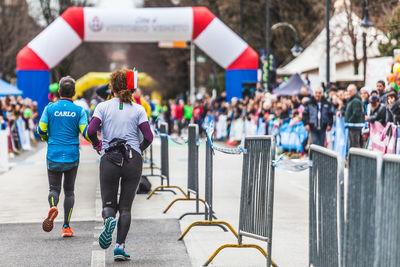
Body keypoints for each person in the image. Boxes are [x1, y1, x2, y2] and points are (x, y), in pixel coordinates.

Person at [87, 69, 153, 261]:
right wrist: (139, 149)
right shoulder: (138, 109)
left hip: (109, 158)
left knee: (109, 202)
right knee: (125, 208)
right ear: (132, 88)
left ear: (112, 87)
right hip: (132, 158)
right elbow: (148, 136)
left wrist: (98, 144)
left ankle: (108, 220)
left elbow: (91, 130)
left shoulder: (103, 107)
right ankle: (119, 246)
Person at [37, 76, 91, 237]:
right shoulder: (79, 111)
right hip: (71, 155)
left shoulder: (49, 108)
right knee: (69, 192)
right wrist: (97, 142)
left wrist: (47, 139)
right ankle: (66, 226)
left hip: (53, 153)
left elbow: (41, 129)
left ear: (59, 92)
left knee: (54, 189)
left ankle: (53, 206)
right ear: (74, 92)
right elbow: (85, 132)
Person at [345, 84, 363, 148]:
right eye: (348, 91)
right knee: (352, 144)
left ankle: (356, 158)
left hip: (355, 126)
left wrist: (349, 121)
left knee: (355, 144)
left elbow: (356, 114)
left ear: (355, 91)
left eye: (350, 91)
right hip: (351, 126)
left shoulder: (356, 101)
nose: (348, 93)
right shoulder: (352, 100)